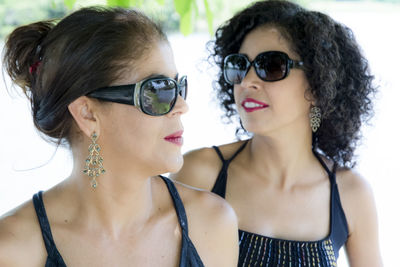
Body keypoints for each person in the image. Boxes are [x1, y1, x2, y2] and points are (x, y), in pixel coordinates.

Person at [0, 7, 238, 267]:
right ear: (87, 114)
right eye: (158, 91)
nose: (182, 105)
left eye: (178, 86)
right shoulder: (13, 250)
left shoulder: (212, 224)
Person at [171, 0, 383, 266]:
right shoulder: (199, 173)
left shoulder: (351, 194)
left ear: (318, 84)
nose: (247, 81)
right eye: (239, 65)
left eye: (270, 66)